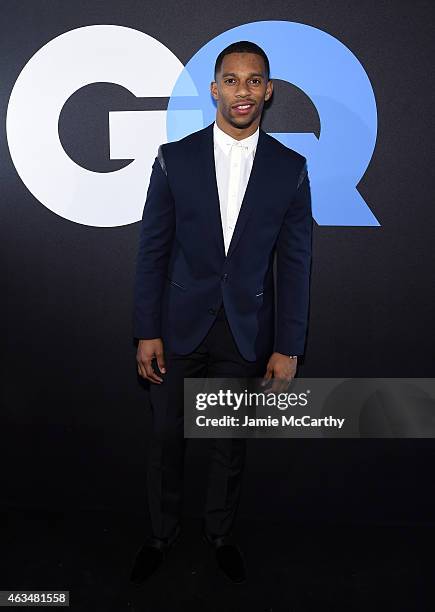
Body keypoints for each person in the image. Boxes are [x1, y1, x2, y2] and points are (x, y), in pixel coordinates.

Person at [130, 40, 312, 585]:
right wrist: (147, 330)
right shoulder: (175, 158)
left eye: (254, 80)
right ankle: (161, 535)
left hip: (244, 330)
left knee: (229, 446)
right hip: (177, 327)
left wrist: (288, 345)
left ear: (268, 90)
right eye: (231, 80)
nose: (242, 91)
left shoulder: (290, 168)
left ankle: (220, 535)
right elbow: (152, 251)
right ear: (215, 89)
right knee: (166, 440)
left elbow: (297, 263)